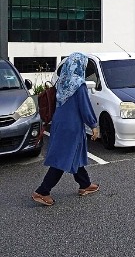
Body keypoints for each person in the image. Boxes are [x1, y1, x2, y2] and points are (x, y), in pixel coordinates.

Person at [32, 52, 99, 206]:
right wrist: (94, 126)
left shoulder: (62, 81)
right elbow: (85, 107)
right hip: (72, 126)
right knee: (63, 158)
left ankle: (85, 184)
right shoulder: (79, 84)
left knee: (73, 154)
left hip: (59, 123)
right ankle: (42, 191)